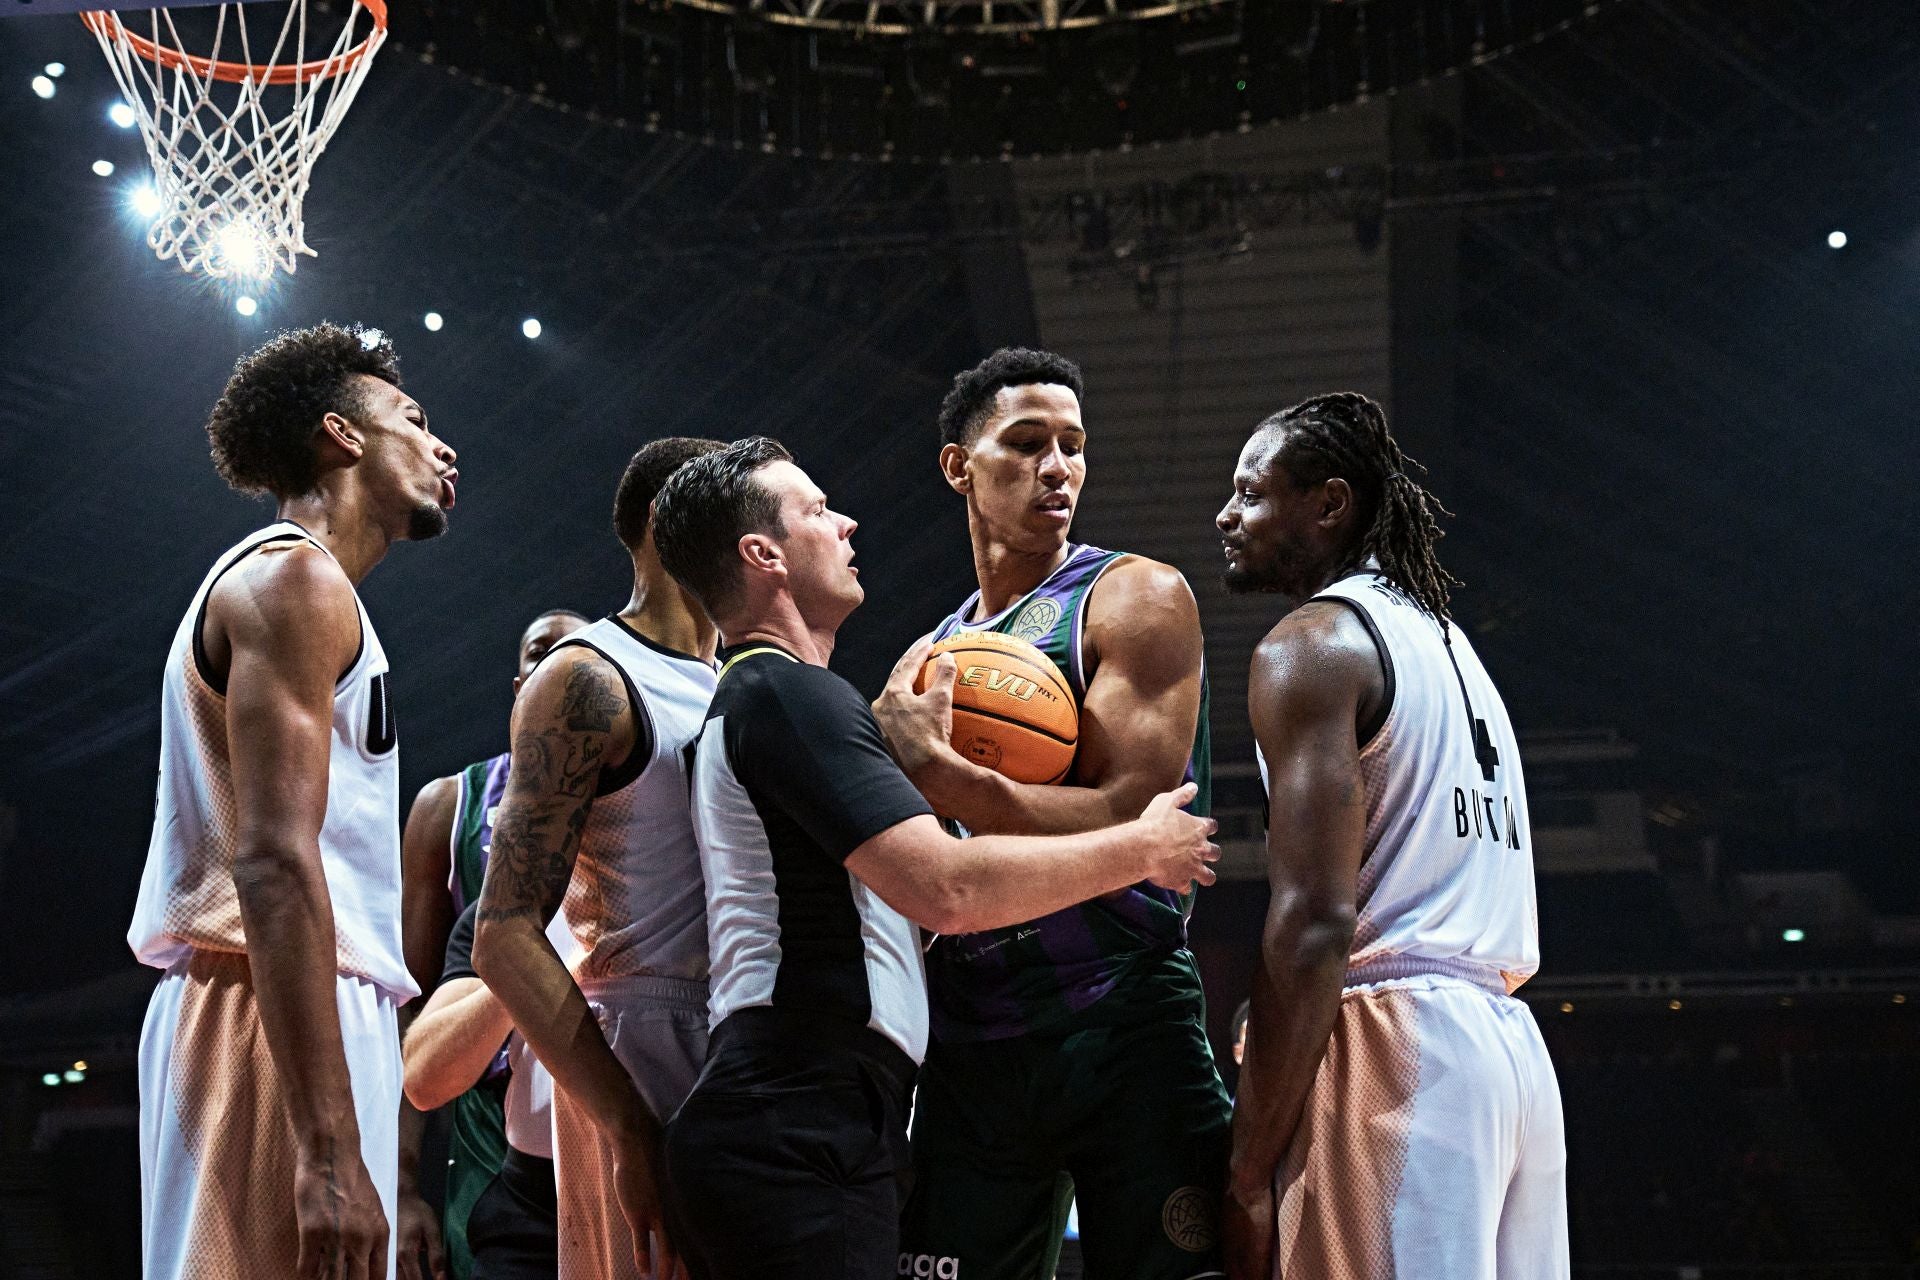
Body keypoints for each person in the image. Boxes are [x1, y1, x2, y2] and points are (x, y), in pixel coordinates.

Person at [648, 436, 1220, 1280]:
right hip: (797, 1105)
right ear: (763, 555)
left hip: (819, 1104)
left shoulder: (768, 696)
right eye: (815, 510)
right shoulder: (791, 694)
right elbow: (947, 892)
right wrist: (1140, 848)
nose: (846, 522)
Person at [873, 348, 1232, 1280]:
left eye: (1073, 445)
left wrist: (953, 785)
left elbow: (1134, 815)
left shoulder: (1133, 596)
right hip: (973, 1034)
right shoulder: (926, 657)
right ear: (960, 466)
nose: (1059, 467)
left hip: (1125, 1014)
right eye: (1027, 444)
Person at [128, 322, 457, 1280]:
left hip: (295, 999)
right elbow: (273, 861)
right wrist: (326, 1148)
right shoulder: (292, 578)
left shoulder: (310, 591)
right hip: (264, 1003)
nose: (443, 448)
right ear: (341, 436)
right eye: (414, 419)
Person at [1213, 393, 1567, 1279]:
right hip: (1511, 1055)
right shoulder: (1450, 646)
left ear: (1329, 504)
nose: (1226, 515)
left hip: (1396, 1050)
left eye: (1252, 493)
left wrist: (1250, 1167)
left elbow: (1316, 923)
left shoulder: (1313, 644)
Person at [472, 438, 729, 1280]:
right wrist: (624, 1122)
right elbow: (503, 936)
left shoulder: (740, 679)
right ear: (669, 519)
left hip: (741, 1037)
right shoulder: (588, 676)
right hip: (641, 1042)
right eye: (744, 506)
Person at [400, 609, 589, 1280]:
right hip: (489, 1124)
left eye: (579, 657)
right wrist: (400, 1189)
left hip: (616, 1103)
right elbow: (411, 1019)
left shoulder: (637, 800)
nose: (558, 667)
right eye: (542, 653)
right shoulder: (449, 807)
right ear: (519, 685)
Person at [405, 897, 575, 1280]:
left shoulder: (677, 888)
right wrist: (521, 961)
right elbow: (421, 1077)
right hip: (529, 1197)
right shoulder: (505, 911)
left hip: (650, 1178)